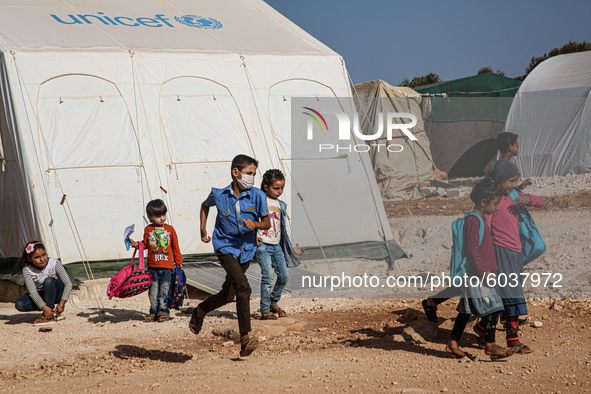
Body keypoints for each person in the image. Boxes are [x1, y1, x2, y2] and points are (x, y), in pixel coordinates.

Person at [422, 132, 532, 322]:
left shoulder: (503, 174)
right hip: (491, 242)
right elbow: (487, 218)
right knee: (474, 281)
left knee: (483, 282)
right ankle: (479, 323)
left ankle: (492, 317)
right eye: (511, 182)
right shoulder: (497, 176)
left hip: (495, 244)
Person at [190, 154, 271, 357]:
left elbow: (267, 222)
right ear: (236, 173)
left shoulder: (258, 196)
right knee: (244, 287)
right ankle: (245, 337)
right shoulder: (219, 195)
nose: (252, 177)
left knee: (229, 295)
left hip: (247, 249)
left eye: (254, 174)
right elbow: (204, 206)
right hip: (225, 247)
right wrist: (202, 229)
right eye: (249, 173)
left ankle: (200, 311)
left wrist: (256, 225)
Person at [446, 178, 514, 360]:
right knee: (494, 308)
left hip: (479, 274)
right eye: (495, 203)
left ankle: (453, 343)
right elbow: (472, 249)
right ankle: (490, 345)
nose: (497, 207)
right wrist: (484, 272)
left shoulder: (479, 219)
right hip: (478, 275)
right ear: (483, 202)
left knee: (466, 311)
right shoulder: (473, 222)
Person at [486, 158, 543, 354]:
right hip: (500, 251)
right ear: (499, 180)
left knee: (509, 293)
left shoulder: (513, 195)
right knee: (511, 294)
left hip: (515, 251)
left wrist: (528, 198)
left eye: (515, 181)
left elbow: (541, 202)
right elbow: (484, 227)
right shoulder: (491, 200)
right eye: (510, 181)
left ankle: (482, 328)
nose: (513, 185)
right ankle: (512, 339)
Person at [256, 169, 304, 320]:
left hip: (276, 246)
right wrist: (252, 237)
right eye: (276, 188)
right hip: (262, 246)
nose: (279, 191)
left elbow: (283, 229)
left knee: (284, 275)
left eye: (282, 188)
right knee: (268, 277)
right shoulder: (258, 200)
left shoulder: (281, 205)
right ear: (266, 187)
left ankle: (273, 302)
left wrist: (291, 247)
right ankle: (264, 309)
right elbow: (249, 219)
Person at [130, 199, 183, 323]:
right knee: (153, 291)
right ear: (150, 217)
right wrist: (136, 244)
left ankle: (164, 312)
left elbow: (175, 247)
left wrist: (179, 260)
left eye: (163, 215)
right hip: (152, 267)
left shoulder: (170, 230)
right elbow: (145, 244)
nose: (162, 218)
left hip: (167, 267)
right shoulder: (148, 230)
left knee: (164, 290)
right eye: (158, 216)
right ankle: (153, 312)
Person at [15, 241, 73, 326]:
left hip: (57, 292)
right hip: (43, 293)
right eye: (37, 257)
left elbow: (68, 284)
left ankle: (47, 316)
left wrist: (61, 304)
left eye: (44, 255)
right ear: (30, 259)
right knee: (20, 304)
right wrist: (44, 307)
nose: (42, 259)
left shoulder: (54, 263)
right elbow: (33, 292)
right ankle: (49, 312)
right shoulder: (27, 270)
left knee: (49, 281)